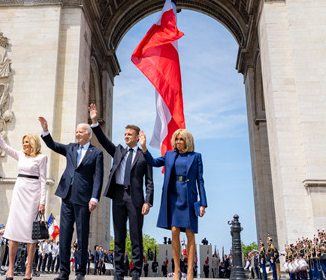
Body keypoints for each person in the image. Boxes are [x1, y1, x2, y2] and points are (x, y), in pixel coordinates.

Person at [89, 103, 154, 280]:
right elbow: (103, 141)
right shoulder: (118, 151)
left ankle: (135, 273)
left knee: (135, 237)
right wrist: (95, 121)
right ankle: (118, 273)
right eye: (125, 134)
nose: (126, 137)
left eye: (129, 135)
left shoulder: (144, 156)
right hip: (118, 196)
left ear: (137, 137)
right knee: (118, 237)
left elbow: (149, 181)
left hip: (136, 200)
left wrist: (148, 201)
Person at [138, 129, 207, 280]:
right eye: (176, 139)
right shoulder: (169, 155)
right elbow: (153, 162)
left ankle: (189, 270)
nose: (178, 142)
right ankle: (176, 270)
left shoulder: (196, 157)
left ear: (187, 141)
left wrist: (203, 203)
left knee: (190, 233)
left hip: (189, 197)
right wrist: (144, 147)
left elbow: (200, 181)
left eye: (181, 139)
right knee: (174, 230)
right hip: (173, 196)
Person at [41, 115, 104, 280]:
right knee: (64, 236)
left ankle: (81, 272)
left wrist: (94, 198)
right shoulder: (70, 148)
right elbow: (53, 145)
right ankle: (63, 272)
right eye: (76, 132)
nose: (77, 134)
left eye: (80, 132)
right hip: (66, 196)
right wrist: (46, 130)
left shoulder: (97, 153)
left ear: (88, 134)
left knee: (82, 236)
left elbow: (98, 178)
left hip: (84, 199)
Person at [0, 115, 47, 280]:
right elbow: (5, 146)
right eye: (23, 143)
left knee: (31, 234)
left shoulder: (41, 158)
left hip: (33, 195)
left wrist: (42, 202)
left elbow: (43, 181)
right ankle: (10, 268)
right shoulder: (20, 155)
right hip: (19, 192)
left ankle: (28, 269)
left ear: (34, 143)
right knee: (13, 231)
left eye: (27, 142)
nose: (24, 145)